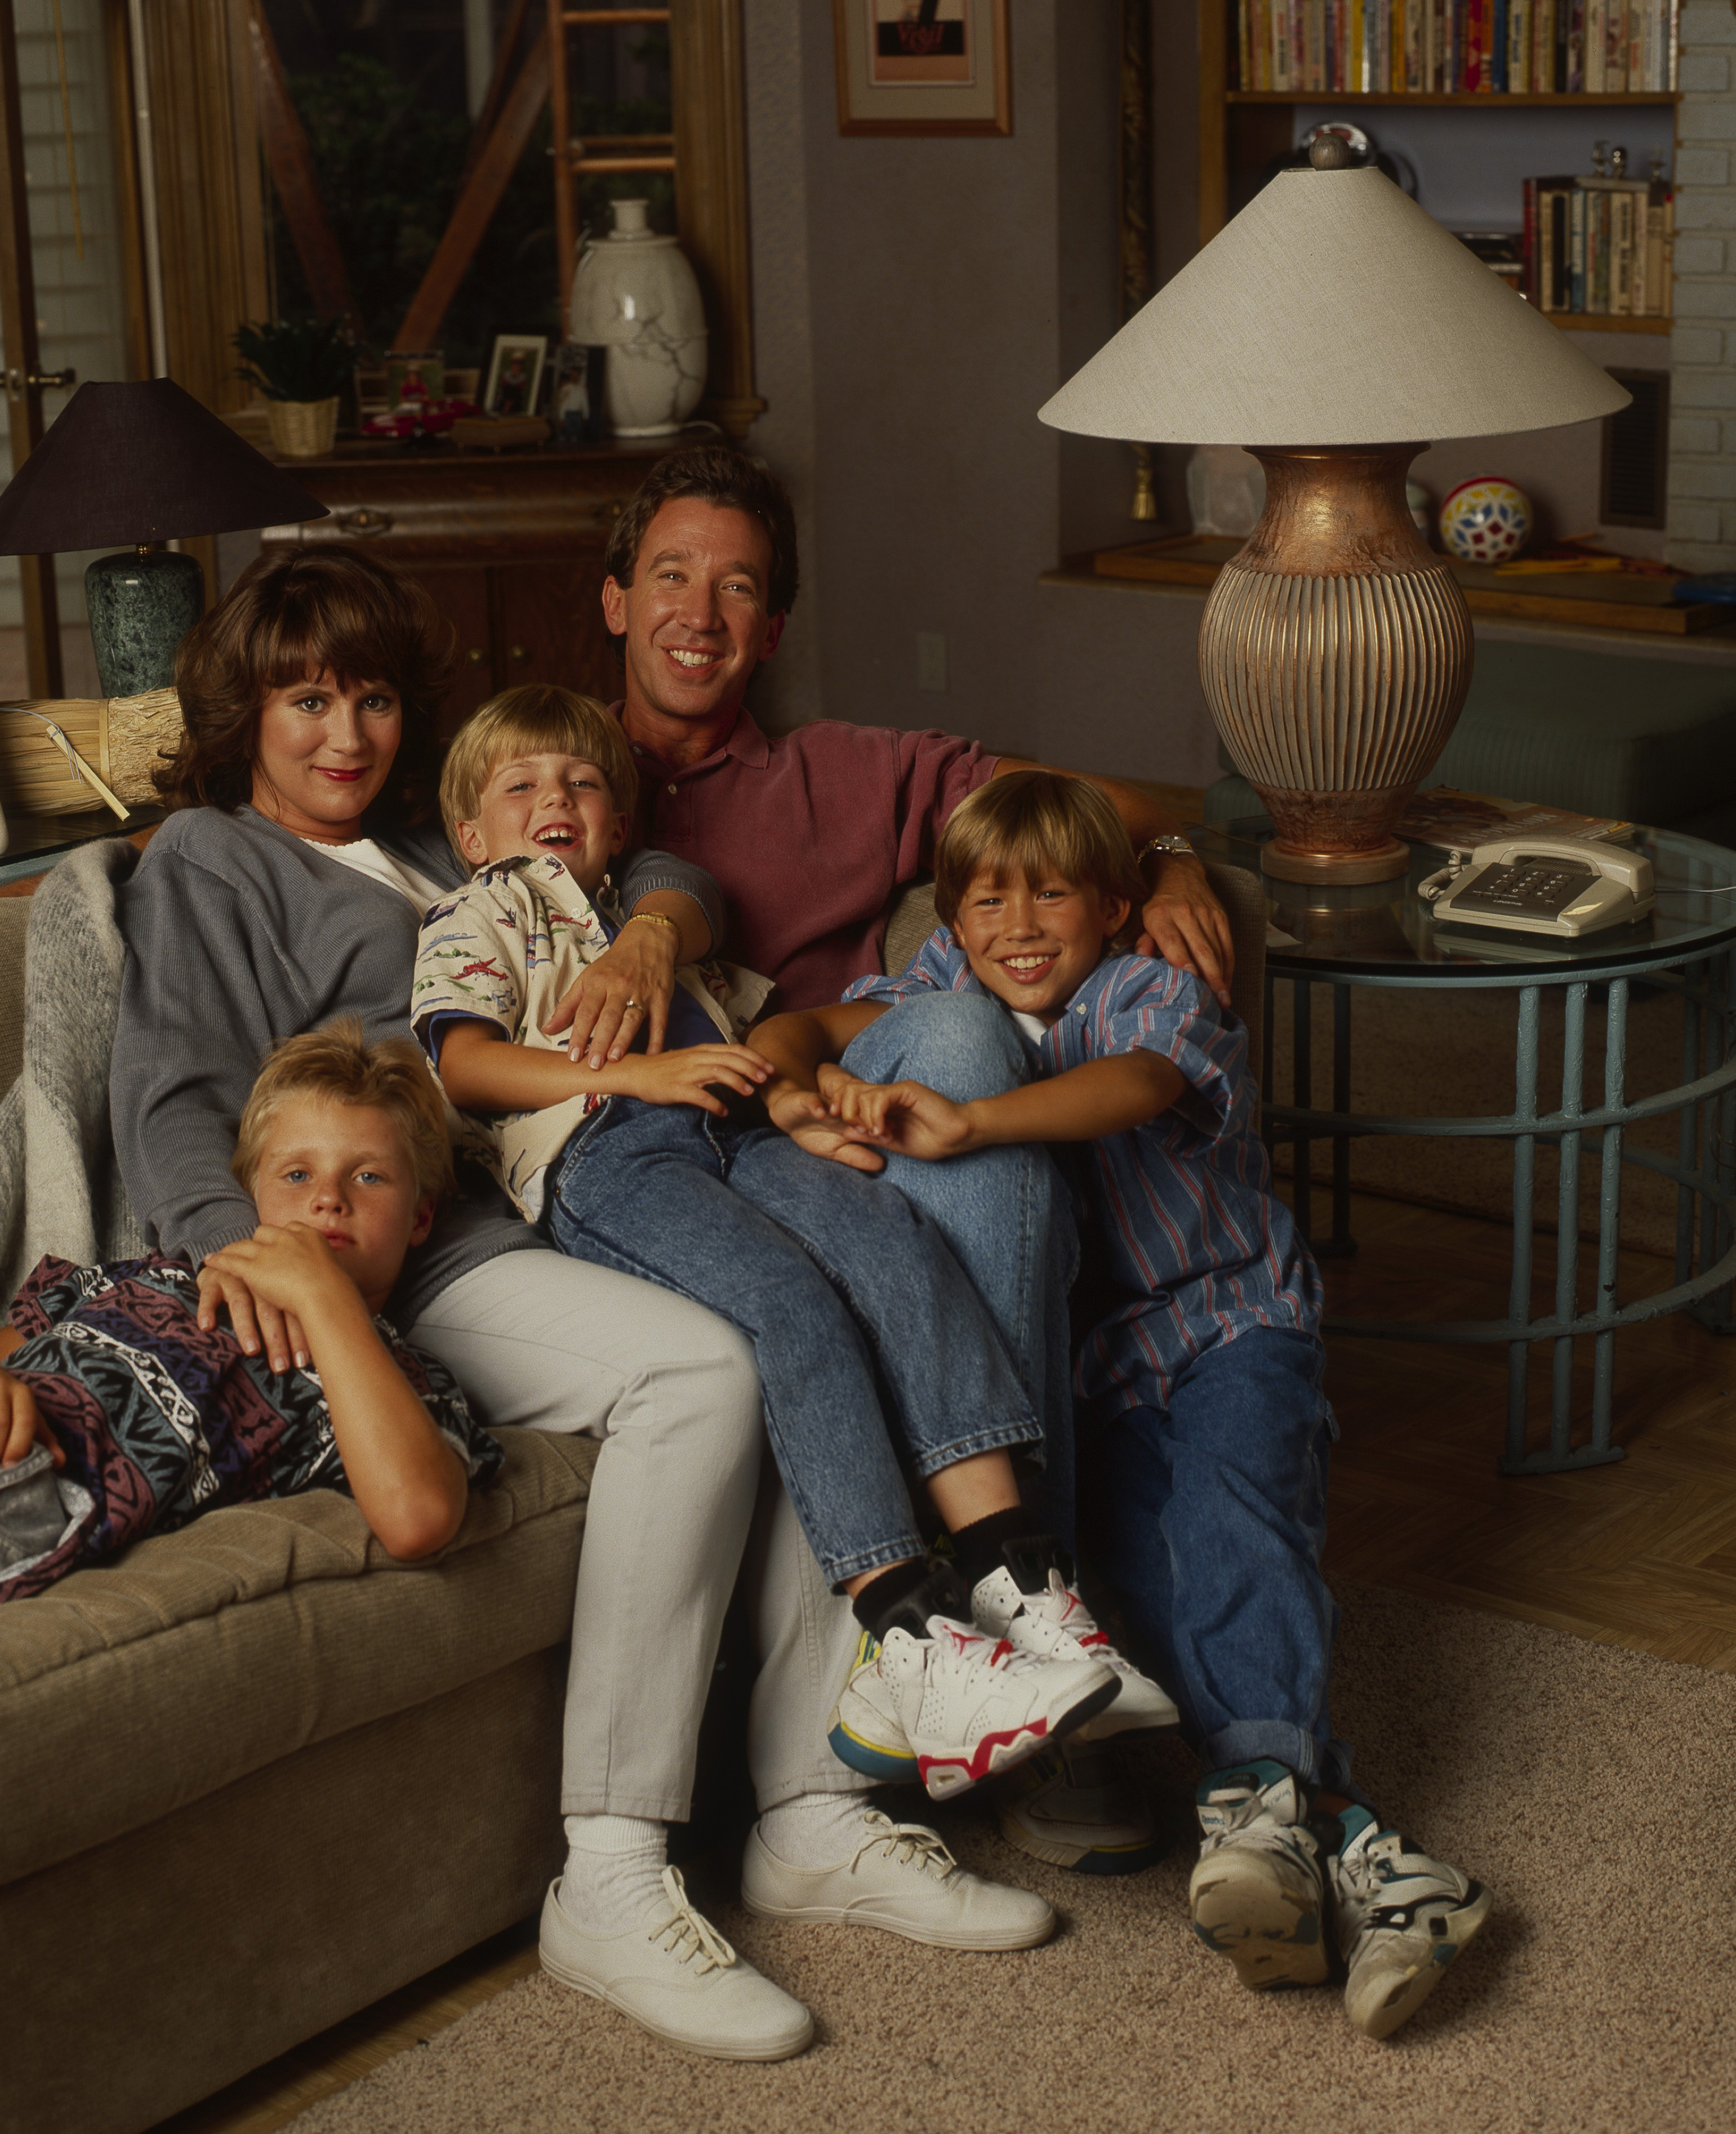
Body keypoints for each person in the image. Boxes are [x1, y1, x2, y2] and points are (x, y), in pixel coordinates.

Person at [106, 543, 1052, 2066]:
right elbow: (167, 1095)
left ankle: (815, 1807)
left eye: (367, 698)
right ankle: (610, 1870)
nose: (342, 734)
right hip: (432, 1241)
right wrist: (258, 1259)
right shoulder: (215, 862)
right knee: (701, 1373)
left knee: (825, 1281)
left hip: (598, 1168)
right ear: (246, 712)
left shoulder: (433, 837)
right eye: (303, 700)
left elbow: (660, 868)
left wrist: (649, 933)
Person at [541, 441, 1233, 1870]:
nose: (700, 612)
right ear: (614, 599)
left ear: (773, 629)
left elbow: (1107, 808)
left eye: (738, 588)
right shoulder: (542, 787)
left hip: (871, 1111)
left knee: (970, 1042)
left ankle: (1038, 1643)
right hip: (683, 1156)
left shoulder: (847, 772)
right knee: (958, 1064)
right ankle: (1003, 1645)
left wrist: (1156, 870)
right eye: (670, 575)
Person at [750, 770, 1493, 2042]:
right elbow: (798, 1027)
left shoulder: (1144, 986)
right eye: (987, 898)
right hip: (1090, 1374)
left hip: (1224, 1328)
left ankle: (1275, 1805)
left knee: (1238, 1522)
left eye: (1052, 893)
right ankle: (1369, 1855)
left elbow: (1143, 1086)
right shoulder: (943, 990)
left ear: (1112, 905)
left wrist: (972, 1120)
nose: (1020, 923)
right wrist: (787, 1087)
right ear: (950, 921)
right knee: (1145, 1576)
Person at [415, 684, 1174, 1803]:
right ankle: (908, 1640)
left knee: (895, 1241)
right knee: (789, 1302)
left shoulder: (654, 908)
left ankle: (1021, 1579)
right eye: (520, 787)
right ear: (472, 833)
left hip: (733, 1125)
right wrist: (630, 1073)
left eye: (581, 781)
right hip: (607, 1150)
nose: (555, 801)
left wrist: (796, 1098)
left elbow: (762, 1021)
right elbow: (463, 1065)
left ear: (622, 822)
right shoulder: (482, 911)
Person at [0, 1022, 500, 1598]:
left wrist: (324, 1298)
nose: (328, 1198)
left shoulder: (392, 1380)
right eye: (297, 1174)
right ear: (251, 1190)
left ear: (419, 1219)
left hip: (36, 1490)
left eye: (369, 1176)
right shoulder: (151, 1273)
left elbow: (419, 1518)